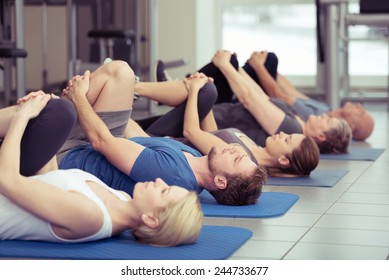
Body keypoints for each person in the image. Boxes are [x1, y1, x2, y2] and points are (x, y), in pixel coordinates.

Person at [53, 60, 266, 206]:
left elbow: (101, 141)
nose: (235, 150)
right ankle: (56, 109)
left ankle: (51, 114)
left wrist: (79, 97)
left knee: (114, 73)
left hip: (68, 154)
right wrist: (118, 97)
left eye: (237, 159)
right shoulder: (192, 158)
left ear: (220, 182)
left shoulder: (174, 174)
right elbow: (142, 141)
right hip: (94, 143)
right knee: (121, 73)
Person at [0, 94, 203, 246]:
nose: (159, 181)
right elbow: (49, 179)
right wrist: (51, 131)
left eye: (163, 191)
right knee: (58, 113)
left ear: (150, 218)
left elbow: (7, 180)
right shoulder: (121, 197)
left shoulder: (90, 216)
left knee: (53, 112)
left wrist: (23, 117)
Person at [132, 72, 320, 177]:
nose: (283, 134)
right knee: (208, 89)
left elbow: (191, 132)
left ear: (283, 160)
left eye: (287, 140)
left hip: (160, 141)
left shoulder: (242, 157)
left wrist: (196, 91)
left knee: (204, 90)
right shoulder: (253, 148)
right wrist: (202, 95)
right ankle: (132, 87)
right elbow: (213, 132)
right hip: (169, 135)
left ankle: (131, 87)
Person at [170, 49, 352, 154]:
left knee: (208, 86)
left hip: (208, 118)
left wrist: (225, 65)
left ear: (321, 136)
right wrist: (234, 67)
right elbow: (262, 96)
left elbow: (249, 99)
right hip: (213, 112)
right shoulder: (298, 123)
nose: (323, 116)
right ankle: (169, 86)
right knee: (228, 64)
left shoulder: (291, 130)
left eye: (327, 121)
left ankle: (168, 86)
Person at [240, 50, 374, 141]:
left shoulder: (312, 117)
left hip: (251, 97)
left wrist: (258, 66)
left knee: (270, 60)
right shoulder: (324, 109)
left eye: (360, 112)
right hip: (255, 93)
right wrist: (271, 72)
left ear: (351, 125)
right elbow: (291, 91)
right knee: (269, 60)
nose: (359, 106)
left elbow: (277, 94)